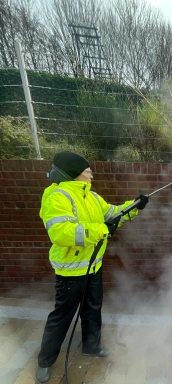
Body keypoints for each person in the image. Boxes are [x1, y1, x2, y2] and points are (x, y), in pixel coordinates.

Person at [36, 151, 148, 383]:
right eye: (87, 170)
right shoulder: (57, 197)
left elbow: (113, 214)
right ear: (74, 173)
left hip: (92, 266)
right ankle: (45, 362)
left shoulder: (92, 197)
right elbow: (61, 233)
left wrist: (135, 206)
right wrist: (102, 230)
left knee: (92, 308)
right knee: (62, 316)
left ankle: (91, 345)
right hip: (70, 271)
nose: (91, 173)